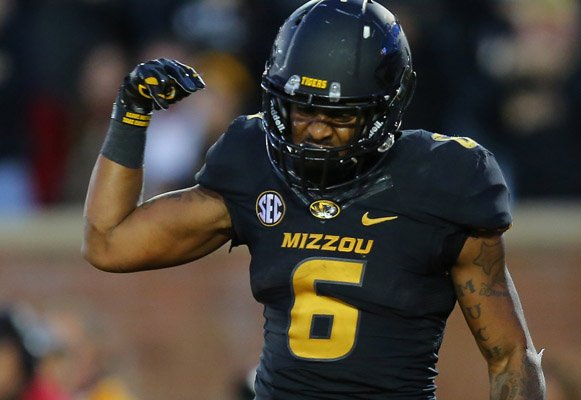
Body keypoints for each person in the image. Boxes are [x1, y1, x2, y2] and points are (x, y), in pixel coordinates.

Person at [82, 1, 546, 399]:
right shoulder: (253, 161)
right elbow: (109, 242)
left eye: (339, 114)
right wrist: (130, 117)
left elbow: (509, 356)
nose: (318, 129)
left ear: (386, 107)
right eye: (303, 108)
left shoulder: (442, 180)